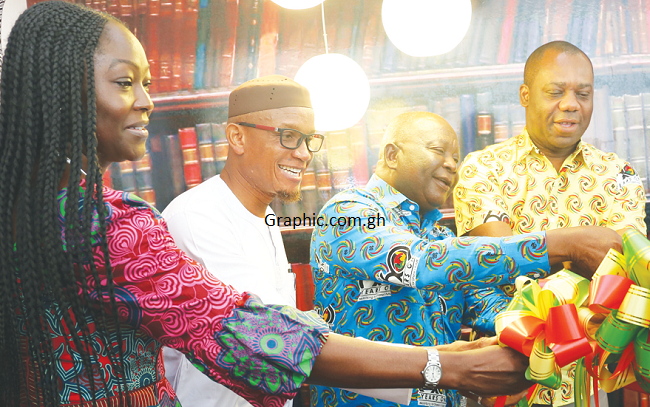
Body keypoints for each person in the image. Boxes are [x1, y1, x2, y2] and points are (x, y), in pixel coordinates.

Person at [0, 3, 549, 407]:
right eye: (125, 82)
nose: (147, 101)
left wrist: (455, 356)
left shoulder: (32, 213)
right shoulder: (121, 225)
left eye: (309, 140)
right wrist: (442, 367)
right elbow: (254, 335)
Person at [310, 111, 624, 407]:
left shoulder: (440, 236)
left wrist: (583, 318)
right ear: (392, 155)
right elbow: (422, 263)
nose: (451, 166)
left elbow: (492, 308)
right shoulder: (346, 212)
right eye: (438, 150)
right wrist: (560, 244)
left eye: (456, 158)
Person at [454, 41, 647, 406]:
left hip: (590, 380)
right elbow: (498, 260)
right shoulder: (483, 168)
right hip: (509, 373)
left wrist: (537, 255)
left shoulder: (620, 173)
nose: (571, 104)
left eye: (583, 94)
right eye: (555, 92)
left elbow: (623, 274)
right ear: (525, 95)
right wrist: (578, 252)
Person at [161, 75, 317, 407]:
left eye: (309, 140)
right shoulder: (196, 216)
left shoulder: (265, 215)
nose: (304, 154)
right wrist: (425, 368)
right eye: (289, 136)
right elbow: (277, 337)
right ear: (237, 137)